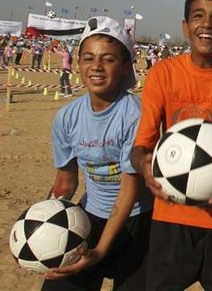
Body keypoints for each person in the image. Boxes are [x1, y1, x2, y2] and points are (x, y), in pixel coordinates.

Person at [130, 0, 212, 290]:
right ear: (185, 26)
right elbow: (141, 146)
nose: (206, 24)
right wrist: (145, 170)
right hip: (172, 216)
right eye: (198, 16)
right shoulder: (163, 73)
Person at [41, 17, 152, 291]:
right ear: (78, 64)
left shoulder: (134, 115)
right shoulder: (67, 118)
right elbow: (65, 183)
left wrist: (101, 251)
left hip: (137, 222)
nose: (97, 67)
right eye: (88, 58)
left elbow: (129, 191)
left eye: (109, 59)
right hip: (88, 218)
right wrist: (39, 227)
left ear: (126, 67)